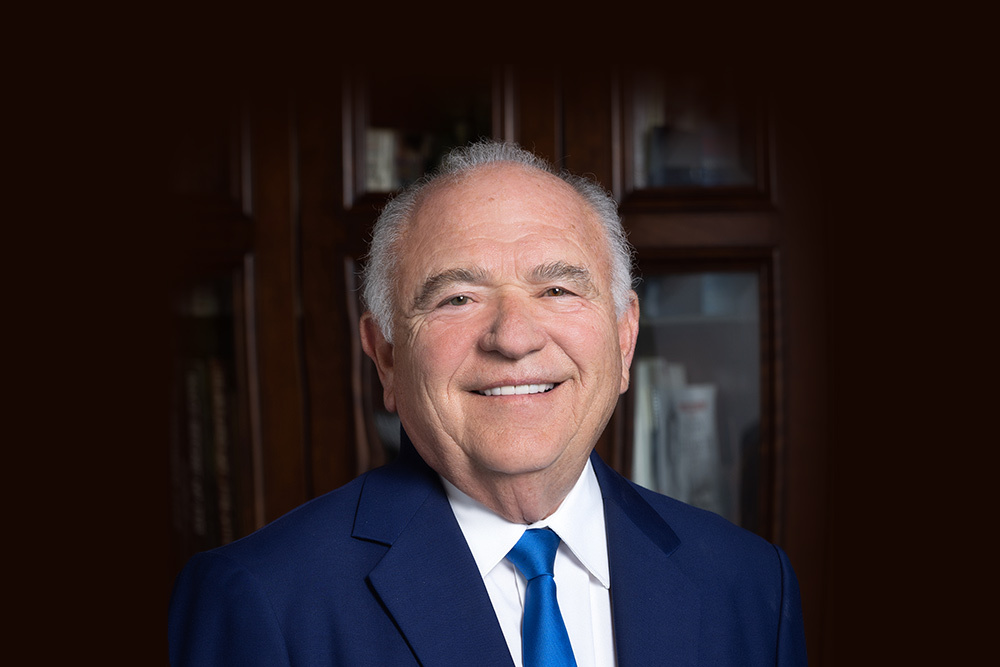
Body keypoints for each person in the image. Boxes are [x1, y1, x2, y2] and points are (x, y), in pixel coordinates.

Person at [168, 140, 807, 666]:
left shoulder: (749, 585)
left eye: (557, 288)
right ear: (386, 356)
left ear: (623, 336)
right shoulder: (263, 601)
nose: (514, 338)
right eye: (457, 298)